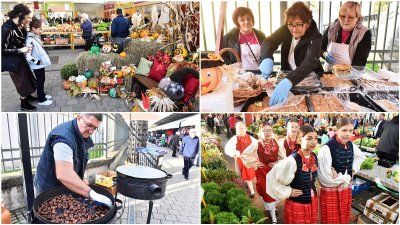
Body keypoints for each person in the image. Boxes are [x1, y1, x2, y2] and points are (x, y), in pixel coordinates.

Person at [34, 114, 112, 207]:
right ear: (79, 118)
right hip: (48, 187)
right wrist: (92, 194)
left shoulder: (83, 134)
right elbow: (64, 174)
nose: (91, 131)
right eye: (89, 125)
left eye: (95, 128)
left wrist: (83, 178)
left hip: (66, 186)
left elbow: (82, 158)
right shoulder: (63, 139)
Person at [261, 2, 323, 106]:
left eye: (299, 25)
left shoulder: (315, 37)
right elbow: (269, 41)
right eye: (291, 25)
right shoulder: (287, 28)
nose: (293, 29)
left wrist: (288, 82)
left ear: (307, 24)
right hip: (288, 75)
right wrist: (267, 58)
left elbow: (309, 62)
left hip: (308, 81)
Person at [266, 125, 319, 224]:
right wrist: (288, 191)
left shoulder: (314, 157)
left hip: (312, 200)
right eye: (309, 138)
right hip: (298, 204)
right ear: (299, 140)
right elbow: (271, 178)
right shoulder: (292, 160)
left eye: (316, 138)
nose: (314, 142)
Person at [318, 117, 366, 224]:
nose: (348, 134)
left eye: (350, 131)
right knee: (331, 218)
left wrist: (353, 170)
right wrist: (346, 177)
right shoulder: (327, 148)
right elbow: (324, 179)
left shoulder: (350, 144)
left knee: (343, 215)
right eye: (344, 130)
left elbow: (361, 157)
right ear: (337, 130)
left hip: (345, 188)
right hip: (331, 191)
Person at [1, 3, 37, 111]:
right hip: (13, 61)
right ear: (20, 15)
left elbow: (17, 41)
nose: (29, 20)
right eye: (27, 17)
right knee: (21, 81)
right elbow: (2, 50)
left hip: (20, 58)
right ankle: (24, 104)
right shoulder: (6, 28)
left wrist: (25, 47)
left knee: (27, 78)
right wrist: (21, 50)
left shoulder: (16, 26)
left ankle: (28, 97)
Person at [321, 1, 371, 69]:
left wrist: (344, 71)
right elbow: (320, 48)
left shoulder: (364, 33)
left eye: (350, 17)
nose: (346, 20)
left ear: (358, 18)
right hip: (330, 72)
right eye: (342, 16)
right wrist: (325, 54)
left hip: (351, 74)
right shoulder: (332, 28)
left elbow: (360, 61)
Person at [221, 7, 268, 73]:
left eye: (248, 19)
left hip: (259, 73)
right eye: (242, 20)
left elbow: (267, 52)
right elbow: (222, 55)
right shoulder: (229, 38)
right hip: (240, 76)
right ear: (237, 22)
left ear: (252, 20)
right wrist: (232, 67)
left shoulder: (261, 35)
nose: (246, 22)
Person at [255, 122, 280, 223]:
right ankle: (273, 217)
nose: (267, 133)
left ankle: (271, 208)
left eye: (269, 130)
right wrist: (255, 162)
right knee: (267, 194)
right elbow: (246, 155)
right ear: (260, 132)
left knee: (274, 193)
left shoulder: (277, 142)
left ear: (272, 131)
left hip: (274, 171)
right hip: (262, 172)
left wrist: (277, 162)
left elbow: (283, 156)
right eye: (264, 130)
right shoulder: (257, 143)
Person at [225, 122, 257, 197]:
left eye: (243, 128)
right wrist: (235, 153)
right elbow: (228, 149)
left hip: (250, 159)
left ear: (245, 128)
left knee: (250, 175)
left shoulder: (250, 137)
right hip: (241, 160)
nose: (242, 129)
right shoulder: (235, 139)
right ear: (236, 129)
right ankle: (252, 191)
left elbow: (256, 145)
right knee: (247, 175)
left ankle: (249, 186)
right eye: (240, 128)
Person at [25, 18, 53, 106]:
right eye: (39, 29)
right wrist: (37, 62)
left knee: (42, 79)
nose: (41, 31)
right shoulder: (30, 40)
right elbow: (27, 56)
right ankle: (41, 99)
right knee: (40, 81)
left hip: (40, 65)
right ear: (33, 28)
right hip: (37, 65)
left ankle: (42, 94)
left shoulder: (34, 37)